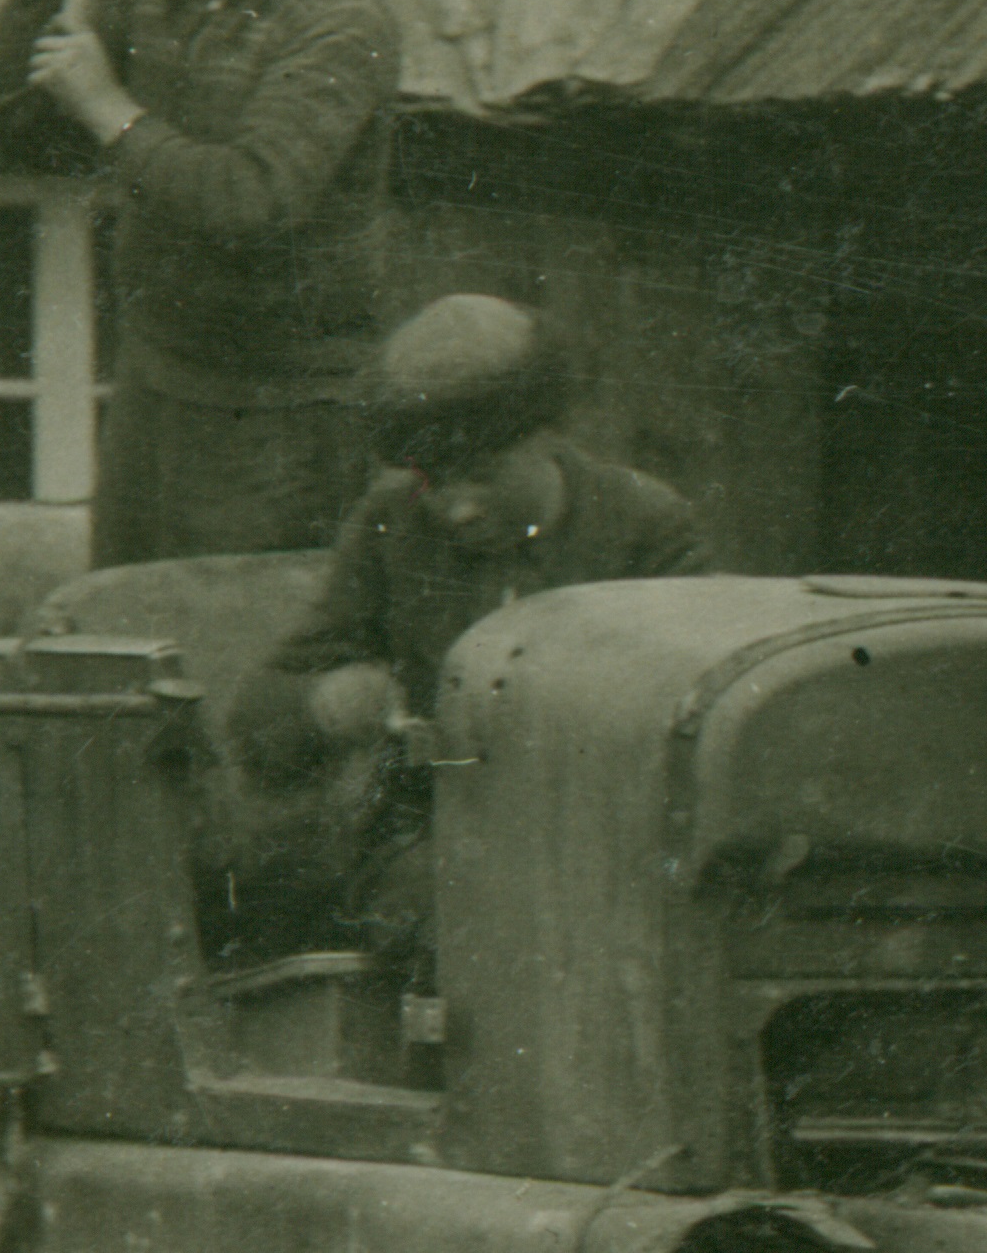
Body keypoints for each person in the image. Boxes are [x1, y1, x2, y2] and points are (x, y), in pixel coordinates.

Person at [0, 0, 406, 566]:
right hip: (160, 382)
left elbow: (252, 200)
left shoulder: (345, 18)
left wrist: (107, 104)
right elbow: (11, 120)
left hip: (290, 411)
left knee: (238, 642)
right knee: (130, 624)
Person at [218, 293, 707, 965]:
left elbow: (693, 720)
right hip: (433, 848)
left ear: (543, 438)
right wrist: (326, 705)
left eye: (482, 474)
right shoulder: (391, 523)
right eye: (432, 481)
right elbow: (256, 718)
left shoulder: (647, 530)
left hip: (609, 839)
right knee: (467, 927)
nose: (457, 509)